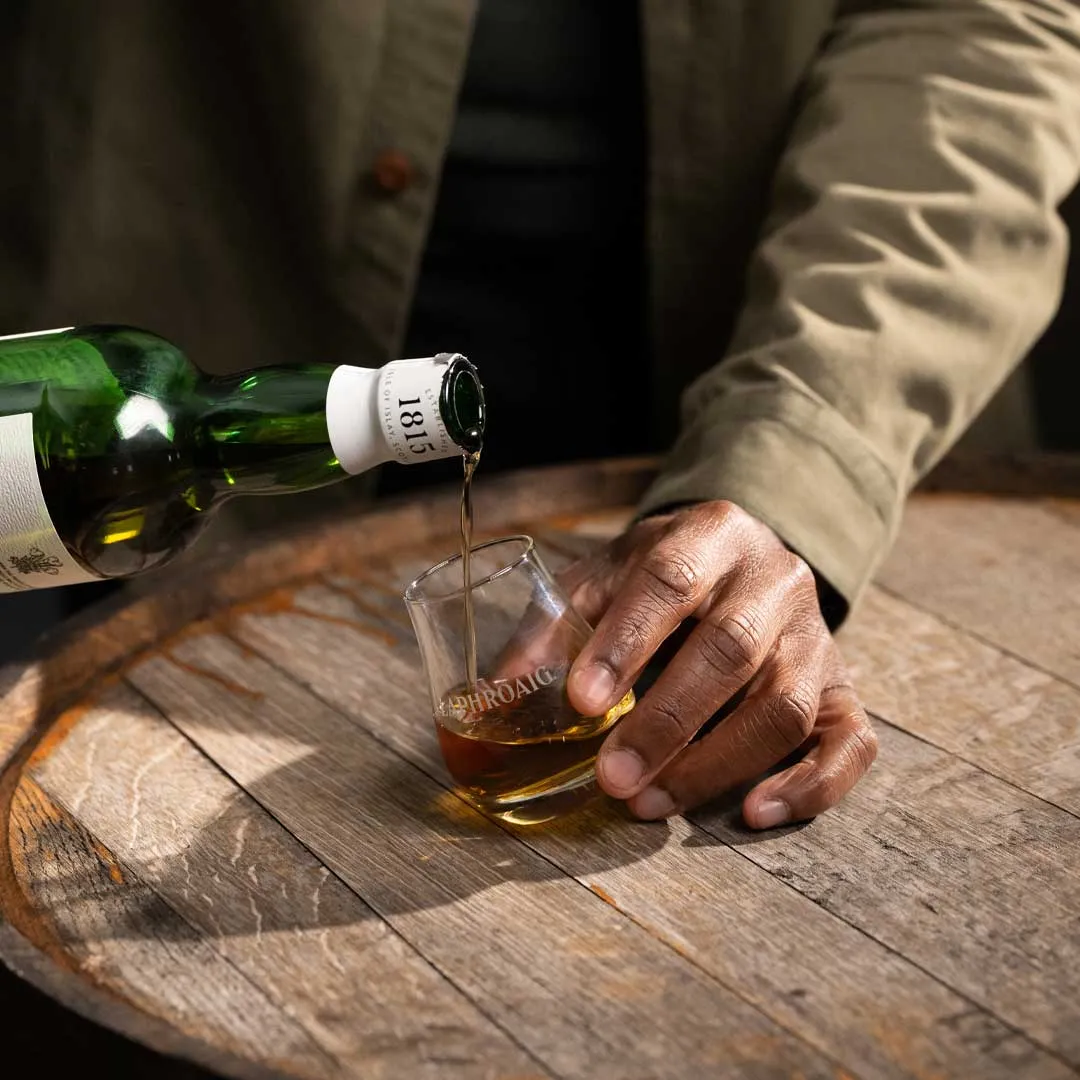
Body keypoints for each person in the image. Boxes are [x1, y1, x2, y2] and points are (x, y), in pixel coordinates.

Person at [2, 1, 1079, 830]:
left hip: (744, 345)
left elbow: (981, 32)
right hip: (205, 289)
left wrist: (794, 466)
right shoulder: (131, 406)